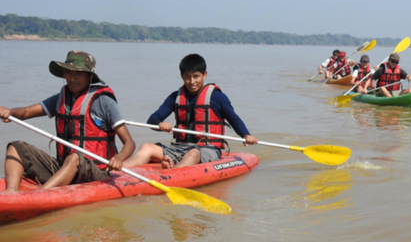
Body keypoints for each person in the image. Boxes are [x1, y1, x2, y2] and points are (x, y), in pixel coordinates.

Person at [0, 50, 135, 192]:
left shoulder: (104, 101)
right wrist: (10, 112)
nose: (73, 78)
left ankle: (41, 195)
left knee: (74, 157)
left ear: (89, 76)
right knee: (16, 147)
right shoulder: (61, 98)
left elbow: (129, 143)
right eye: (69, 73)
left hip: (96, 172)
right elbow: (26, 112)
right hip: (63, 167)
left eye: (79, 73)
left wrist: (119, 158)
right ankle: (11, 194)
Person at [124, 53, 258, 169]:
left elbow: (234, 119)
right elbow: (152, 119)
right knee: (146, 147)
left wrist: (246, 135)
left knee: (193, 153)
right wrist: (160, 125)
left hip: (208, 149)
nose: (192, 81)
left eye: (196, 76)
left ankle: (172, 173)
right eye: (187, 77)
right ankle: (118, 170)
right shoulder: (175, 97)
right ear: (182, 76)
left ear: (204, 75)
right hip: (180, 147)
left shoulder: (217, 97)